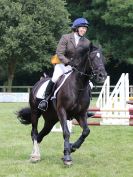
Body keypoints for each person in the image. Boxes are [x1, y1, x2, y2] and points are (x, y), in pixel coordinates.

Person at [38, 17, 92, 111]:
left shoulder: (86, 42)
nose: (84, 30)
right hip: (62, 65)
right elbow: (59, 53)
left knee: (89, 84)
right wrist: (69, 62)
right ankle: (45, 100)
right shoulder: (66, 37)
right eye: (82, 28)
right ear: (76, 28)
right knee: (55, 78)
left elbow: (86, 56)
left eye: (85, 28)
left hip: (76, 68)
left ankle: (85, 109)